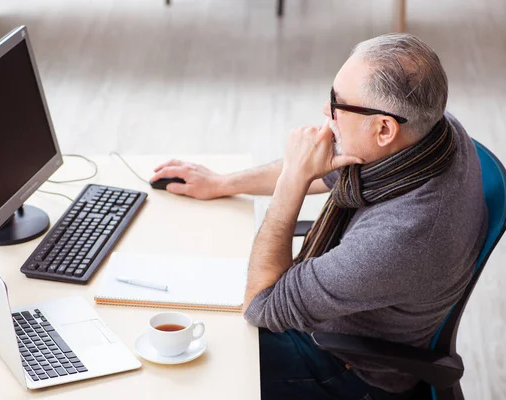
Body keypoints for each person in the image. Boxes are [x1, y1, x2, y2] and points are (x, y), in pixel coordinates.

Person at [150, 33, 487, 400]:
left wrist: (292, 183)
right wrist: (221, 183)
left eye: (337, 104)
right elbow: (325, 167)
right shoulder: (433, 130)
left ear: (384, 129)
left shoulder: (398, 239)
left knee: (182, 373)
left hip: (345, 368)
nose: (326, 113)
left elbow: (260, 306)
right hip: (360, 312)